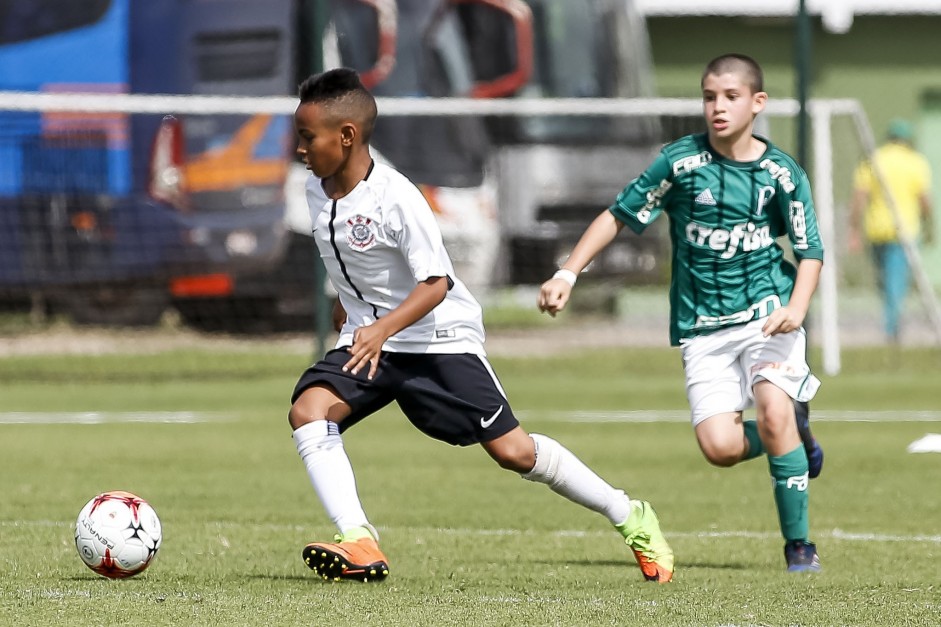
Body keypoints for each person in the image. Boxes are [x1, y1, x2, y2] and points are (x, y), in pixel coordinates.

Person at [287, 67, 674, 584]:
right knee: (309, 411)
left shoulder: (397, 198)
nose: (300, 149)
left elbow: (436, 283)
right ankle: (357, 538)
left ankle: (629, 515)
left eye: (307, 137)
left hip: (437, 339)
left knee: (514, 453)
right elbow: (357, 262)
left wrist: (380, 328)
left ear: (348, 136)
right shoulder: (317, 191)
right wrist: (350, 306)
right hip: (371, 340)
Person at [538, 54, 824, 572]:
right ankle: (796, 436)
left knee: (774, 408)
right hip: (703, 328)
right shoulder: (679, 163)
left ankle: (799, 548)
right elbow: (618, 215)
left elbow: (810, 250)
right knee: (719, 447)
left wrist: (797, 308)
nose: (718, 107)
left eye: (731, 97)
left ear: (757, 103)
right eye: (710, 96)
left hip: (766, 316)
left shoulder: (781, 174)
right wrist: (567, 273)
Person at [849, 119, 934, 343]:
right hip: (904, 231)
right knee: (896, 283)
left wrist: (854, 229)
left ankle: (891, 328)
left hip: (876, 230)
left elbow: (859, 197)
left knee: (885, 282)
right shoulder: (915, 162)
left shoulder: (874, 159)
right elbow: (925, 200)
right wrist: (930, 226)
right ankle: (891, 332)